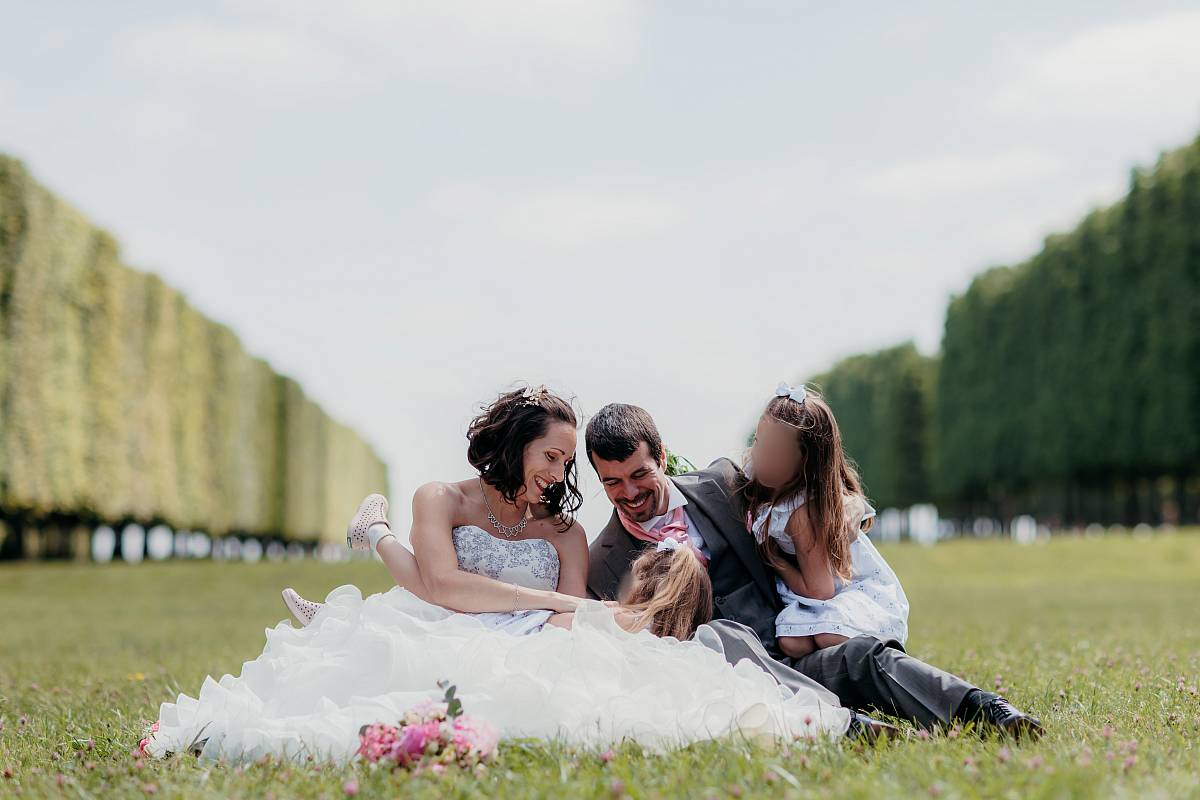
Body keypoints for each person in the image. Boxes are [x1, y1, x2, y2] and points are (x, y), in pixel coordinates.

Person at [145, 387, 853, 763]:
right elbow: (441, 586)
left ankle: (358, 576)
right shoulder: (440, 498)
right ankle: (373, 540)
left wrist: (550, 621)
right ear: (518, 446)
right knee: (405, 628)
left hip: (525, 632)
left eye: (566, 462)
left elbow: (567, 616)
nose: (560, 473)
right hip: (448, 609)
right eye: (552, 456)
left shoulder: (568, 532)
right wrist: (536, 598)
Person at [584, 400, 1043, 738]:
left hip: (795, 649)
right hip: (734, 686)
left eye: (639, 474)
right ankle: (847, 726)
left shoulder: (722, 483)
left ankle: (983, 709)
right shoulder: (602, 562)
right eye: (612, 482)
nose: (630, 492)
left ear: (662, 457)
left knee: (865, 656)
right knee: (724, 635)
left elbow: (804, 486)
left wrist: (850, 510)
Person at [743, 383, 908, 659]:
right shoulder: (759, 472)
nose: (761, 458)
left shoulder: (800, 513)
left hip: (848, 586)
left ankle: (877, 658)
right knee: (792, 642)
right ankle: (829, 664)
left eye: (776, 452)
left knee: (829, 635)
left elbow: (820, 591)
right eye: (760, 443)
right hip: (815, 589)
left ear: (805, 462)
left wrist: (775, 561)